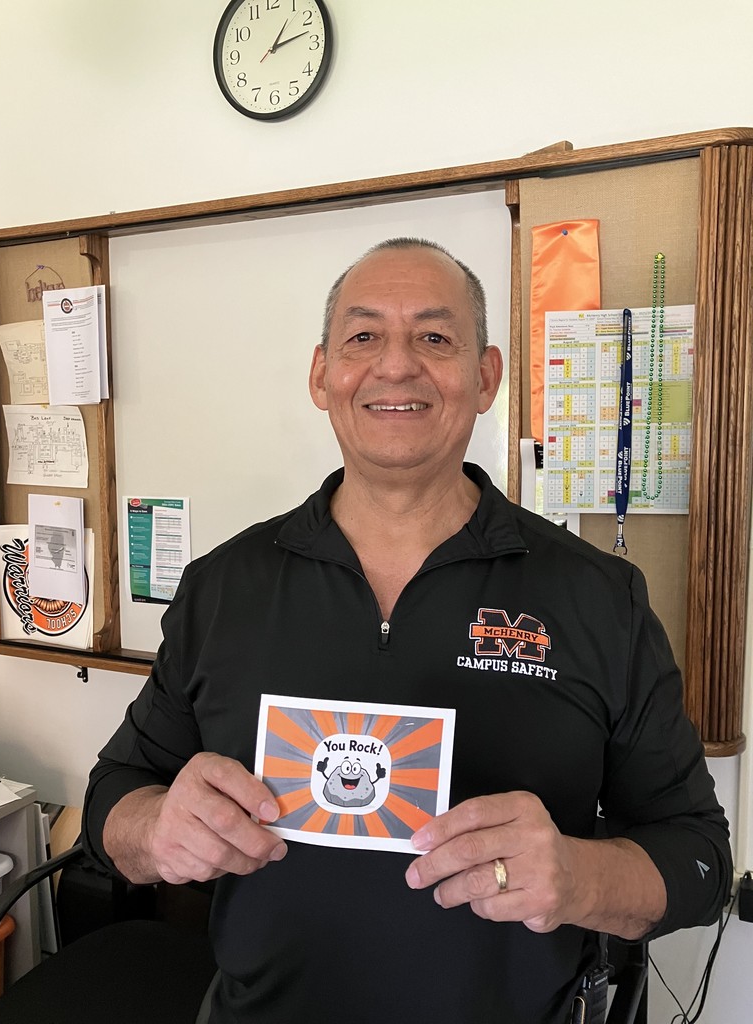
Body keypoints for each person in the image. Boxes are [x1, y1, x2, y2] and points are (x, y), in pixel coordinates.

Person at [83, 238, 732, 1024]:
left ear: (486, 376)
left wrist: (579, 876)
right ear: (322, 375)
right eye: (363, 337)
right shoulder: (225, 585)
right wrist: (155, 830)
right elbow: (112, 796)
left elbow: (700, 859)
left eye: (434, 337)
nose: (396, 366)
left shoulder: (599, 596)